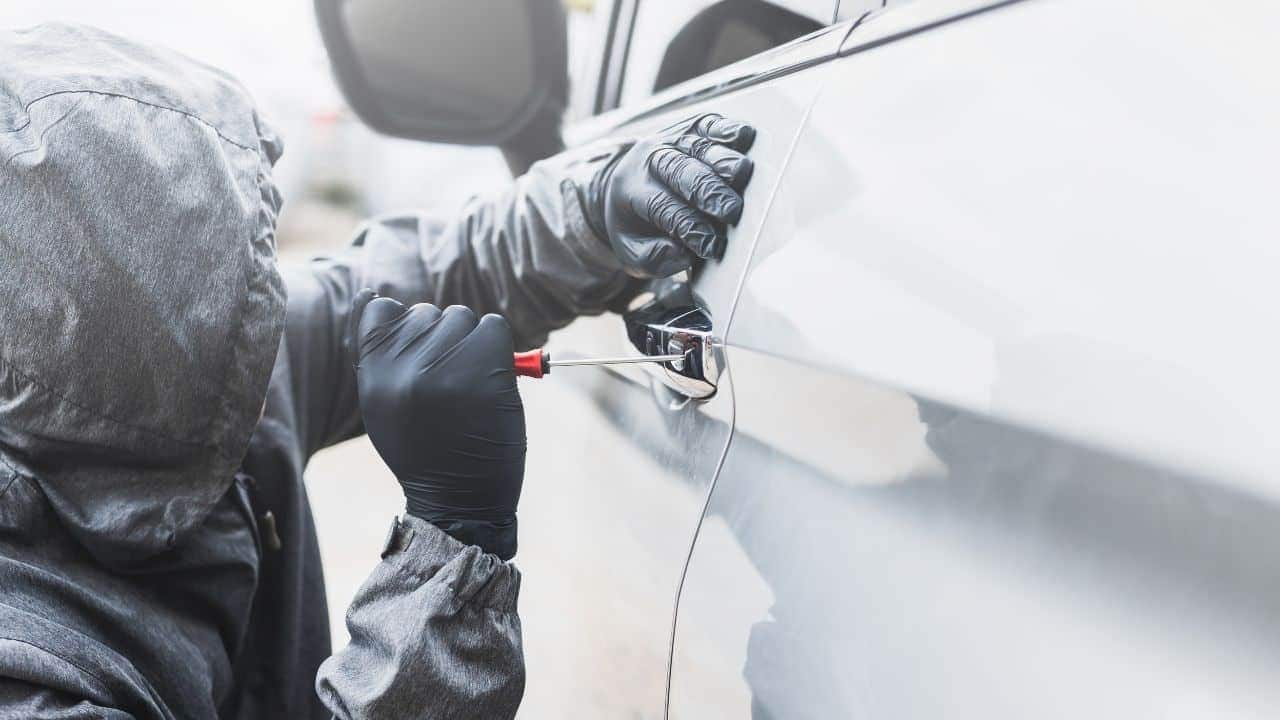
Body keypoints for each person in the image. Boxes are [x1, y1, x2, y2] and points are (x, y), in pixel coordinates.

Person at [0, 22, 756, 719]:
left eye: (242, 274)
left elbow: (435, 272)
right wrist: (446, 557)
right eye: (219, 289)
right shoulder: (28, 680)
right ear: (122, 314)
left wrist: (593, 212)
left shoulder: (201, 355)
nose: (261, 315)